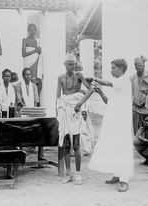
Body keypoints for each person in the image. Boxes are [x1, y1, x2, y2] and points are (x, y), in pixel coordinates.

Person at [75, 58, 133, 192]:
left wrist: (94, 79)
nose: (111, 70)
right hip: (114, 121)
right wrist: (100, 92)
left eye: (113, 67)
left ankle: (124, 180)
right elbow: (108, 101)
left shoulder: (123, 81)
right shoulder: (117, 85)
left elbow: (107, 82)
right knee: (115, 148)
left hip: (122, 122)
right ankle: (117, 175)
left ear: (121, 69)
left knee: (122, 149)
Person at [56, 53, 90, 185]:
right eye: (68, 64)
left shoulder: (79, 76)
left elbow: (91, 89)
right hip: (64, 110)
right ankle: (68, 174)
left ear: (75, 65)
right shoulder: (60, 77)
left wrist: (80, 104)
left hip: (75, 110)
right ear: (64, 64)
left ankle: (78, 174)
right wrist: (57, 113)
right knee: (65, 144)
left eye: (73, 64)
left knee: (76, 144)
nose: (70, 66)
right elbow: (57, 96)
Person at [130, 56, 148, 135]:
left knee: (146, 126)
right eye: (137, 65)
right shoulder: (132, 78)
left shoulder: (147, 76)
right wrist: (135, 102)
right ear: (135, 66)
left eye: (141, 65)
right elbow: (131, 92)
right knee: (136, 128)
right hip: (136, 106)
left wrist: (143, 103)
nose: (139, 67)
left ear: (144, 65)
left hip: (145, 106)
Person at [22, 23, 42, 94]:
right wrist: (34, 50)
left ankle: (37, 101)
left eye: (34, 30)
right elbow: (23, 54)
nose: (32, 32)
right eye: (30, 30)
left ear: (35, 31)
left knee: (38, 84)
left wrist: (38, 51)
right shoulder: (25, 40)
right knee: (29, 84)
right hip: (28, 64)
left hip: (36, 64)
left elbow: (39, 53)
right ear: (28, 31)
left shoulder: (38, 40)